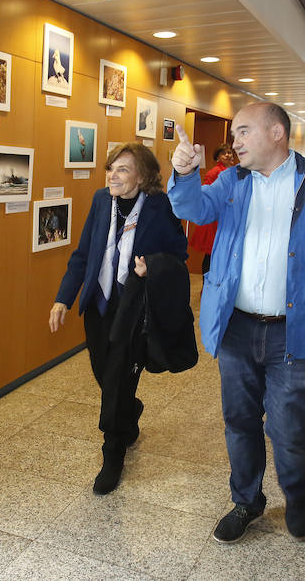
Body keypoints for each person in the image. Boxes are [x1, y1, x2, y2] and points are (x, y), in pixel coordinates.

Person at [167, 102, 305, 543]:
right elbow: (194, 209)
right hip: (238, 326)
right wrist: (184, 173)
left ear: (277, 132)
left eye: (243, 131)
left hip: (297, 332)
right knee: (239, 420)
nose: (235, 141)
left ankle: (296, 494)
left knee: (291, 426)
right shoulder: (232, 180)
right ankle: (247, 501)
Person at [49, 143, 187, 495]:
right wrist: (63, 297)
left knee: (115, 378)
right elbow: (83, 253)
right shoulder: (100, 200)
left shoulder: (159, 205)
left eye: (123, 169)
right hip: (99, 304)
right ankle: (130, 410)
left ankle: (113, 453)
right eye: (111, 168)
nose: (113, 175)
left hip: (133, 306)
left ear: (143, 176)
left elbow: (178, 252)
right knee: (104, 374)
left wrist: (151, 265)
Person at [188, 144, 236, 275]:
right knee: (211, 255)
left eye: (229, 152)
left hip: (225, 218)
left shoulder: (232, 171)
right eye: (224, 153)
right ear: (218, 157)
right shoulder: (215, 172)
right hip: (214, 221)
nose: (228, 155)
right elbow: (206, 195)